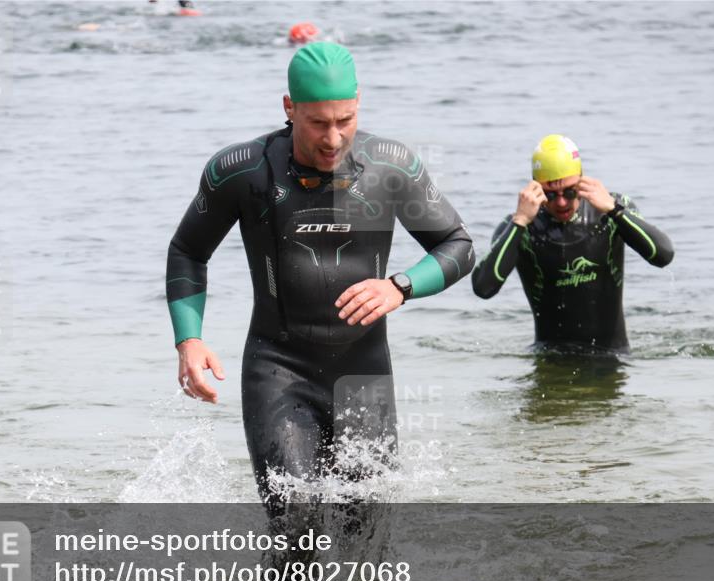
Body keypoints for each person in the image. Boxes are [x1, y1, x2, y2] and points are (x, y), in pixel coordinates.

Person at [166, 42, 474, 510]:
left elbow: (458, 246)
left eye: (344, 121)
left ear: (358, 104)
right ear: (289, 108)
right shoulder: (244, 171)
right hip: (279, 369)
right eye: (318, 123)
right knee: (295, 523)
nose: (333, 139)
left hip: (363, 372)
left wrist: (399, 287)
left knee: (365, 534)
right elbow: (188, 250)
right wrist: (189, 341)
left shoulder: (391, 167)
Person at [471, 134, 673, 352]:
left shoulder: (611, 210)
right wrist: (519, 222)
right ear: (536, 189)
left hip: (611, 357)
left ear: (581, 181)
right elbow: (483, 288)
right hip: (551, 363)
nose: (561, 202)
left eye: (569, 191)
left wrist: (614, 210)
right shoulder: (520, 227)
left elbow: (663, 255)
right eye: (550, 194)